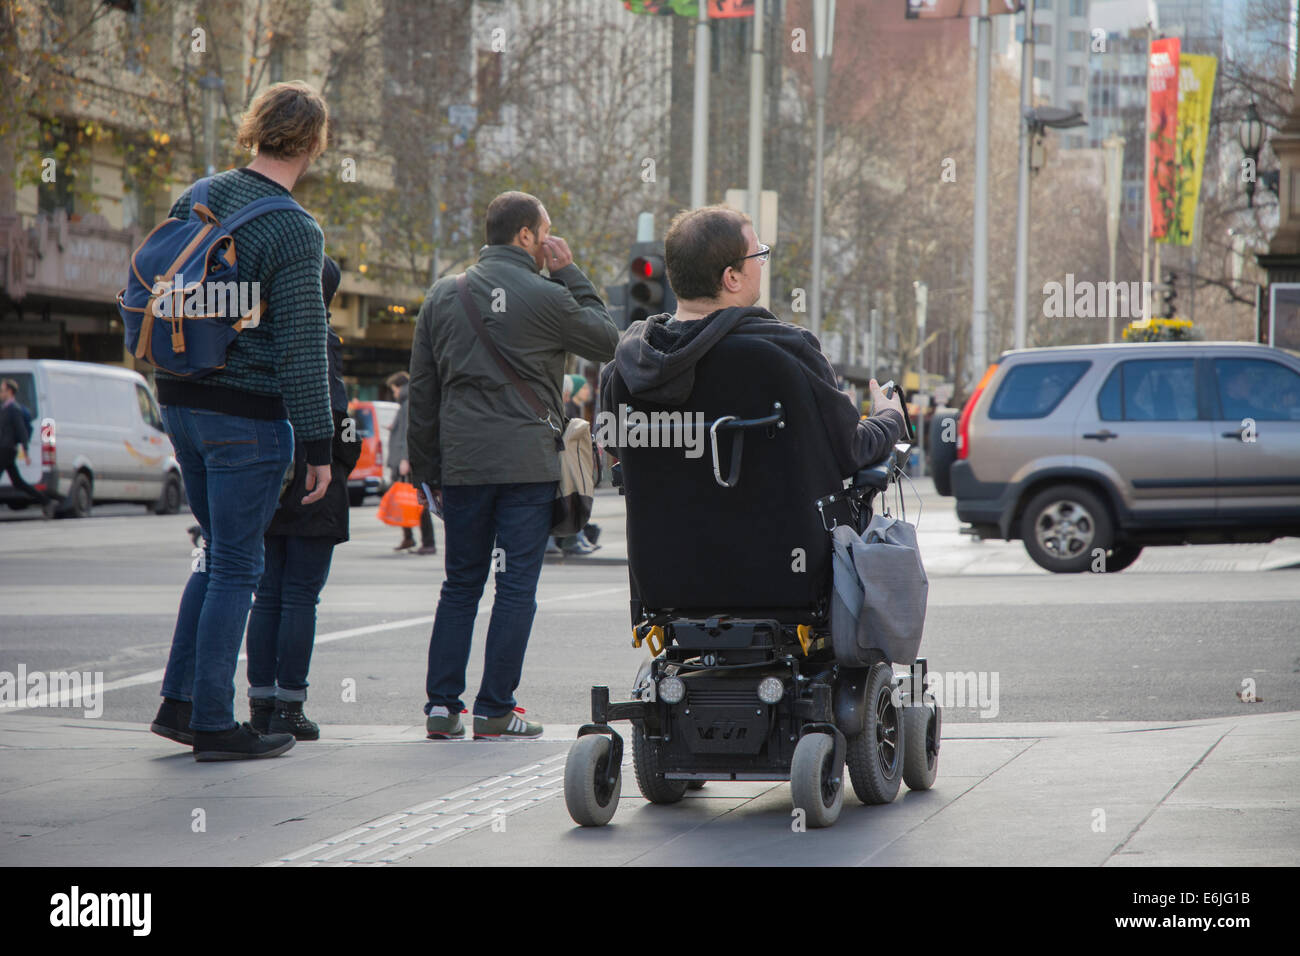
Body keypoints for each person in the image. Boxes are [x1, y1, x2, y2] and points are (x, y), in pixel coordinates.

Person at [149, 81, 334, 761]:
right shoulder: (293, 228)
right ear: (314, 143)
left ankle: (179, 703)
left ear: (255, 130)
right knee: (236, 564)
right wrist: (319, 447)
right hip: (246, 416)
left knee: (212, 555)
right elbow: (301, 350)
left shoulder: (197, 194)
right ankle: (213, 724)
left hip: (180, 398)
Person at [407, 190, 618, 740]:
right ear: (527, 235)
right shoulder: (548, 294)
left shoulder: (442, 295)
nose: (549, 240)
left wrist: (427, 473)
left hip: (463, 464)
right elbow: (607, 339)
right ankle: (494, 709)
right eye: (546, 230)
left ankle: (440, 707)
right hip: (527, 463)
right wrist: (571, 272)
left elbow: (423, 395)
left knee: (460, 585)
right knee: (515, 587)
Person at [598, 204, 905, 474]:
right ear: (731, 277)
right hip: (778, 541)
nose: (762, 264)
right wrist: (889, 416)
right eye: (759, 254)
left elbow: (616, 449)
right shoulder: (789, 351)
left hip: (660, 541)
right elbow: (851, 450)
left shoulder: (625, 366)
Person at [245, 257, 360, 741]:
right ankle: (290, 705)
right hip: (315, 482)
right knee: (299, 598)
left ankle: (260, 703)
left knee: (265, 596)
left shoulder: (255, 331)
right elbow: (339, 424)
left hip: (265, 477)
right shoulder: (320, 340)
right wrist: (341, 460)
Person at [385, 370, 436, 555]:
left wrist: (405, 459)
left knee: (415, 502)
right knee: (405, 501)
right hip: (401, 459)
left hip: (404, 461)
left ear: (399, 387)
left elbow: (410, 432)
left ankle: (428, 542)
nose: (394, 394)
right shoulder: (406, 403)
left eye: (394, 390)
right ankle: (409, 537)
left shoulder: (408, 402)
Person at [0, 379, 53, 517]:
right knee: (18, 483)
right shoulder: (4, 408)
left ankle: (46, 501)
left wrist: (26, 451)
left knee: (18, 482)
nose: (0, 393)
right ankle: (45, 501)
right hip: (5, 449)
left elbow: (22, 431)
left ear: (9, 392)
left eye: (2, 390)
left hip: (7, 450)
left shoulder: (14, 409)